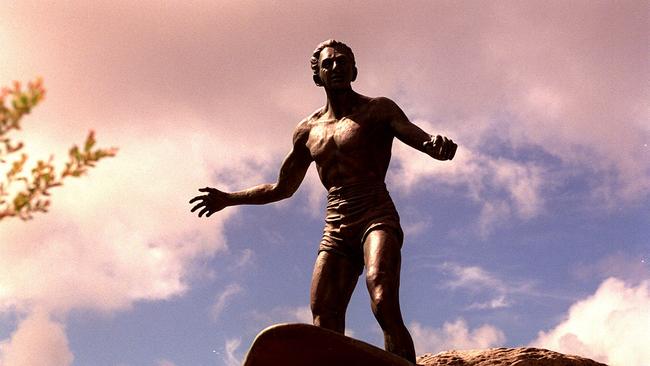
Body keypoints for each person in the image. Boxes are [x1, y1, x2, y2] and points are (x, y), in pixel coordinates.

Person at [190, 39, 457, 362]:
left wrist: (434, 145)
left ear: (354, 70)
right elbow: (281, 188)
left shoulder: (378, 109)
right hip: (336, 225)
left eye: (343, 62)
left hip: (375, 214)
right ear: (317, 76)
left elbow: (417, 135)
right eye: (328, 64)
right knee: (324, 315)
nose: (336, 67)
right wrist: (228, 198)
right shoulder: (307, 130)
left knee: (382, 296)